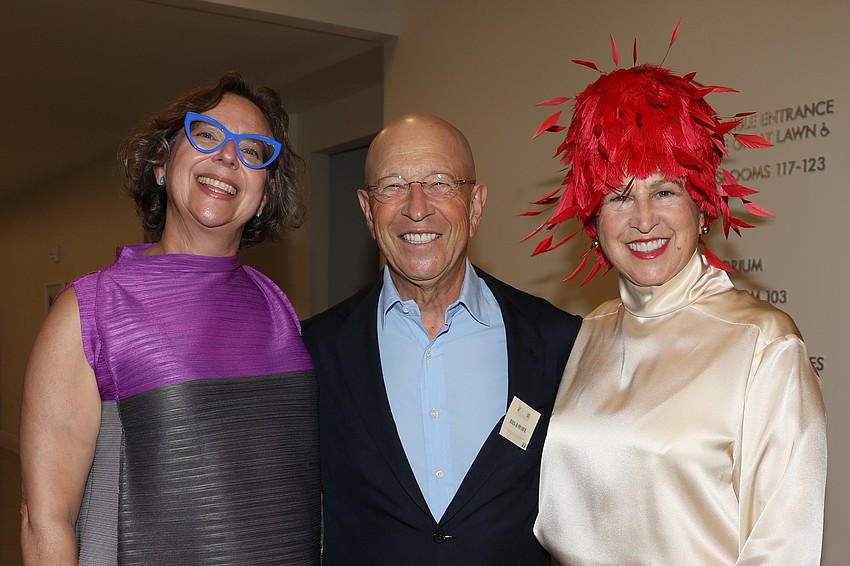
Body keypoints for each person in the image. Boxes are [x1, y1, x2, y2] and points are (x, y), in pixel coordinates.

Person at [527, 32, 827, 564]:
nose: (644, 220)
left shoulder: (764, 345)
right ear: (593, 221)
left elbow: (783, 547)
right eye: (620, 196)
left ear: (703, 206)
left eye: (665, 191)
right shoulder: (586, 334)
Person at [19, 72, 320, 565]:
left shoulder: (275, 304)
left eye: (252, 151)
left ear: (264, 194)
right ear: (161, 164)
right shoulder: (91, 309)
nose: (227, 156)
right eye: (206, 135)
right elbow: (45, 519)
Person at [301, 113, 581, 565]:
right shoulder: (312, 351)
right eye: (392, 186)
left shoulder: (556, 341)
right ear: (368, 211)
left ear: (475, 206)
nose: (416, 207)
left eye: (439, 183)